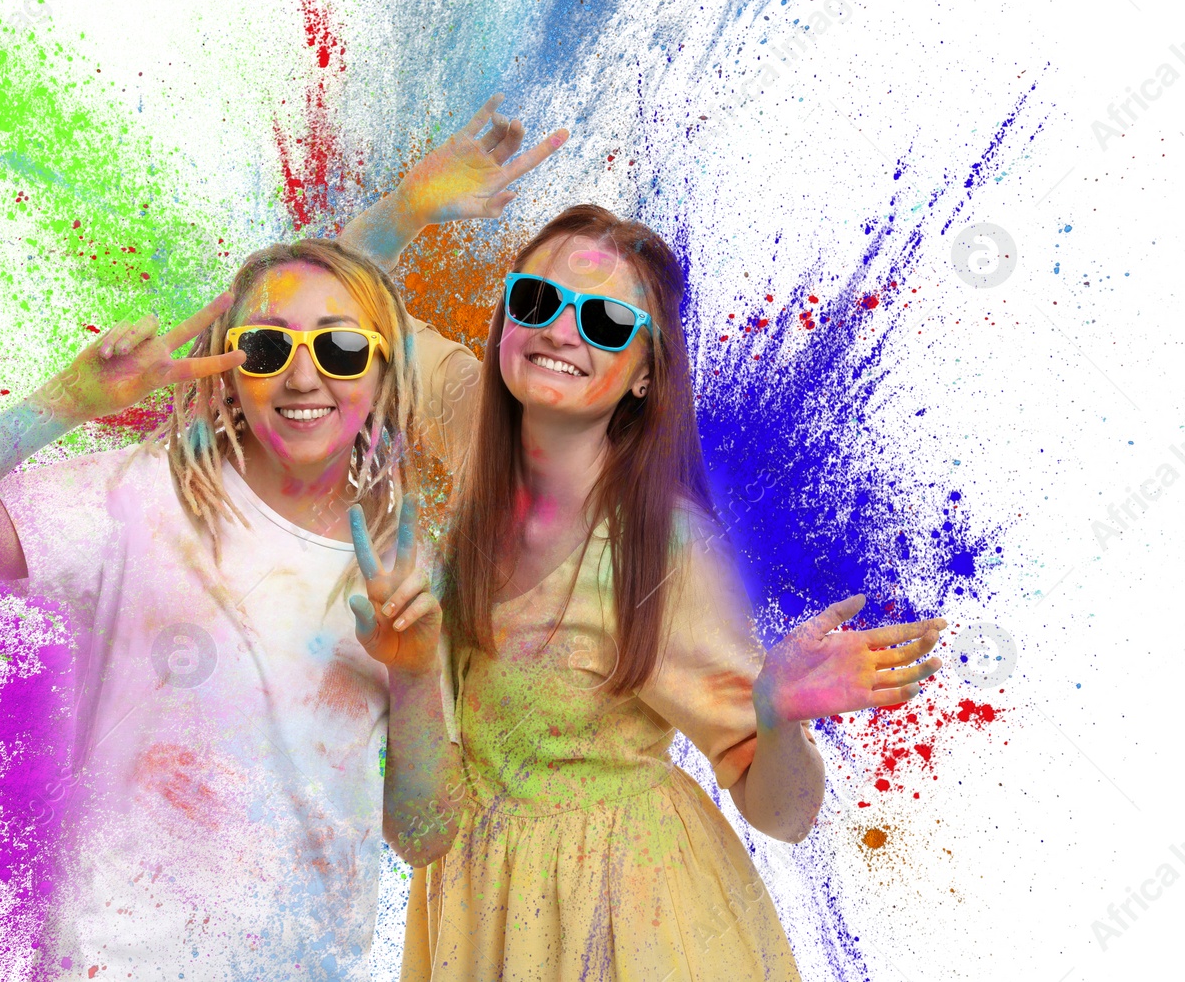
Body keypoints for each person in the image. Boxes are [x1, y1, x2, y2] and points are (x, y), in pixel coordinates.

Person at [338, 101, 947, 980]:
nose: (559, 331)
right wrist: (409, 208)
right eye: (538, 300)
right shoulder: (467, 418)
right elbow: (329, 313)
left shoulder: (665, 549)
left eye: (605, 323)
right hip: (486, 910)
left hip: (637, 921)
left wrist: (774, 721)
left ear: (647, 372)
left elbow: (782, 813)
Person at [0, 239, 455, 979]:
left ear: (385, 376)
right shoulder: (133, 498)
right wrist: (61, 404)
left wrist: (415, 673)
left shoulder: (411, 568)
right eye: (264, 347)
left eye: (343, 347)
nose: (301, 374)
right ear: (227, 373)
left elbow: (423, 835)